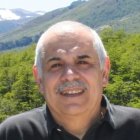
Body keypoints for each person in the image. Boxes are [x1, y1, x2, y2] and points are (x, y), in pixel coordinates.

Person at [0, 21, 140, 140]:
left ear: (104, 72)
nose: (70, 75)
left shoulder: (136, 127)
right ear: (39, 78)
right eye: (56, 65)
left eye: (83, 62)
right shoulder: (13, 134)